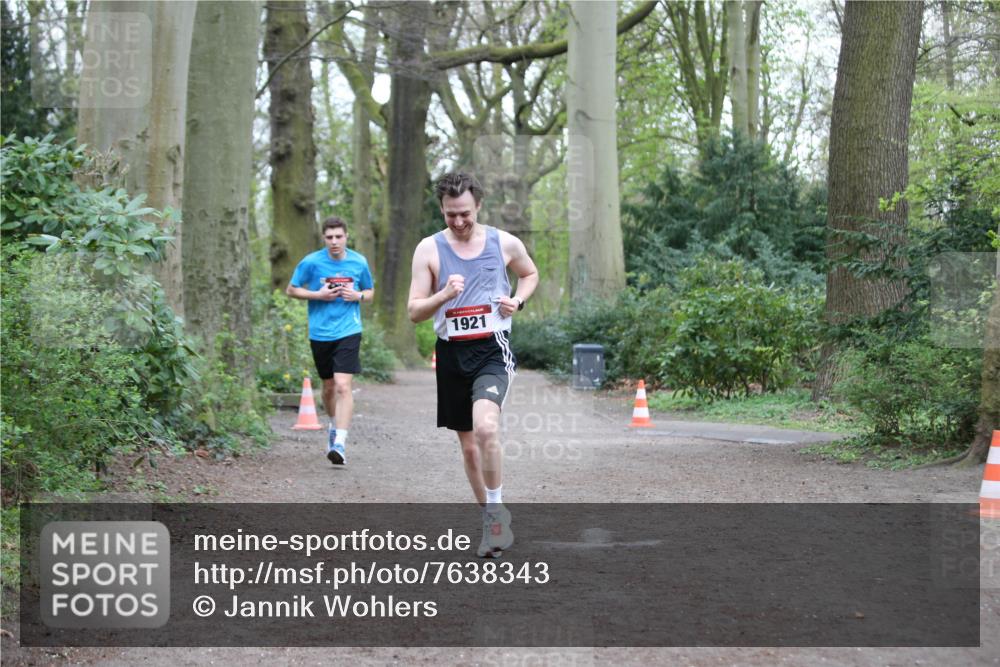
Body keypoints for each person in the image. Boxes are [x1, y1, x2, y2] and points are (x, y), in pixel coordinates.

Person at [407, 172, 539, 557]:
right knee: (468, 449)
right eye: (451, 215)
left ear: (478, 205)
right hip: (451, 353)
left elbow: (529, 274)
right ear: (442, 211)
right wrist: (444, 294)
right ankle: (491, 519)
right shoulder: (428, 250)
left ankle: (496, 511)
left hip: (491, 349)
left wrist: (519, 300)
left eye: (465, 213)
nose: (459, 221)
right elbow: (414, 311)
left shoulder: (504, 243)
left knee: (485, 426)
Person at [286, 217, 374, 466]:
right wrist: (317, 295)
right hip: (321, 333)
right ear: (324, 239)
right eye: (329, 237)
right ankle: (334, 425)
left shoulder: (359, 262)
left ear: (347, 236)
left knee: (343, 386)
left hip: (349, 330)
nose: (334, 241)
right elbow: (291, 289)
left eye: (339, 236)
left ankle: (340, 442)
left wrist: (357, 295)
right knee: (328, 388)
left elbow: (369, 292)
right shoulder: (312, 262)